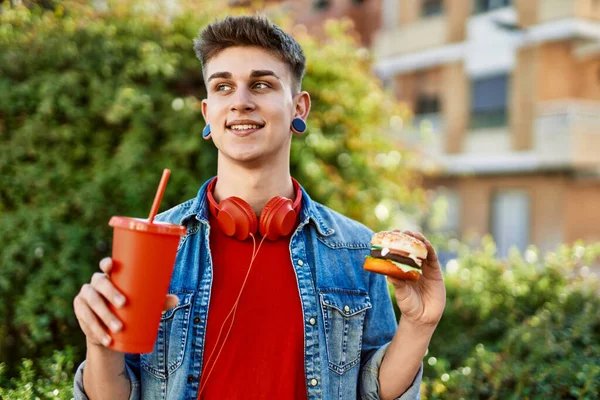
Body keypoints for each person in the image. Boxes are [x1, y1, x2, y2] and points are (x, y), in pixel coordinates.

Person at [72, 15, 446, 400]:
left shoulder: (353, 248)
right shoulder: (156, 244)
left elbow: (373, 392)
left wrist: (418, 325)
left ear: (299, 107)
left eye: (261, 84)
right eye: (223, 87)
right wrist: (99, 344)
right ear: (207, 114)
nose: (241, 102)